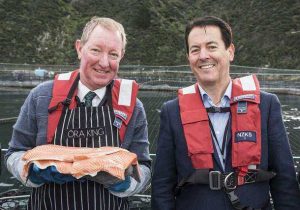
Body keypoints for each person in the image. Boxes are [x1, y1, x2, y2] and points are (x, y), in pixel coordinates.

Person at [151, 16, 300, 210]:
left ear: (230, 51)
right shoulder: (172, 111)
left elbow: (284, 180)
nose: (203, 55)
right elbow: (162, 186)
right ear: (189, 57)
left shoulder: (267, 105)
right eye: (195, 49)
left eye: (211, 47)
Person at [5, 16, 151, 210]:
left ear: (121, 56)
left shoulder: (133, 106)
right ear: (79, 48)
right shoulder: (41, 97)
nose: (104, 62)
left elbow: (144, 166)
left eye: (113, 54)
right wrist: (29, 172)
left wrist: (126, 184)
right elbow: (14, 153)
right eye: (96, 50)